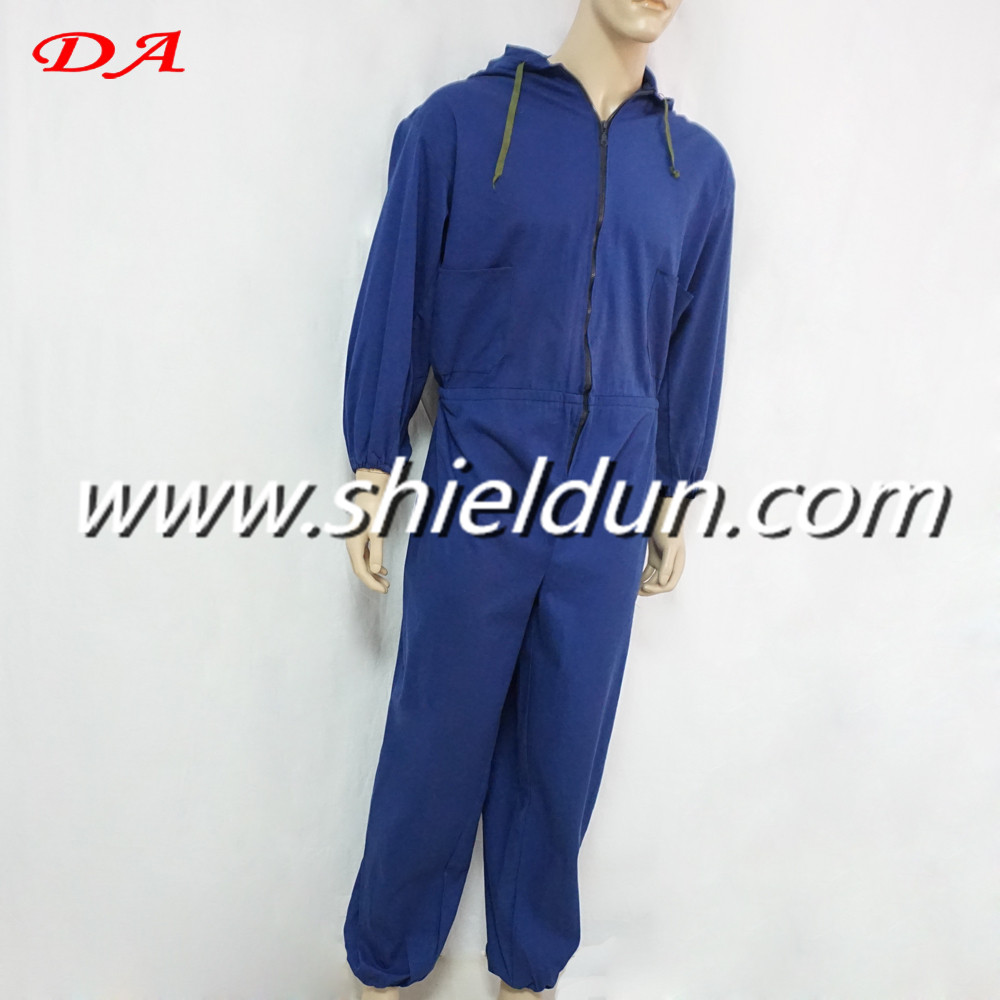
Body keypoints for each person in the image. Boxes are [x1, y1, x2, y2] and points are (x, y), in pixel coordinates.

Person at [341, 0, 736, 995]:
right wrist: (372, 460)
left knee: (560, 762)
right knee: (434, 749)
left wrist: (674, 489)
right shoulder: (458, 128)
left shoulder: (697, 172)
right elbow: (396, 297)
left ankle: (528, 974)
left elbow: (693, 346)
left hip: (611, 505)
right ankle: (384, 969)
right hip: (478, 486)